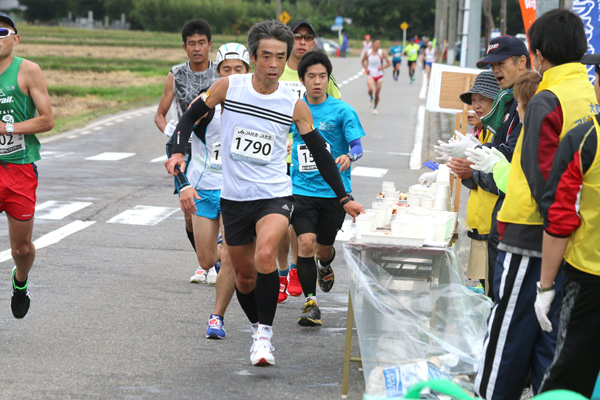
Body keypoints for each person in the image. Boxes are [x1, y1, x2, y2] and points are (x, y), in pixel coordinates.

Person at [165, 19, 364, 367]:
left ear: (287, 60)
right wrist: (177, 151)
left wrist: (344, 198)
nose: (273, 65)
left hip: (275, 193)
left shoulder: (293, 102)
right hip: (236, 197)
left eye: (280, 57)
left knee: (267, 253)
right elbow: (186, 120)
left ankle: (264, 337)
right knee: (244, 276)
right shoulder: (228, 87)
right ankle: (257, 324)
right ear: (254, 56)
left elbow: (320, 152)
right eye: (266, 56)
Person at [474, 10, 599, 400]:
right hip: (578, 244)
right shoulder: (588, 95)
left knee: (507, 332)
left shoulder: (547, 99)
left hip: (532, 237)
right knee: (551, 341)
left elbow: (545, 179)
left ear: (538, 55)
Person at [167, 43, 251, 340]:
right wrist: (178, 157)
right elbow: (182, 126)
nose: (231, 75)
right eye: (226, 70)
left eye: (237, 70)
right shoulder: (207, 104)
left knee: (228, 258)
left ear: (247, 72)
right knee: (206, 260)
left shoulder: (252, 107)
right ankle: (227, 252)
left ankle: (217, 317)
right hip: (203, 188)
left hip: (235, 191)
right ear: (218, 73)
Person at [535, 53, 600, 399]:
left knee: (568, 376)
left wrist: (545, 287)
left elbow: (560, 217)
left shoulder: (586, 137)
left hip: (590, 279)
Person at [291, 51, 365, 326]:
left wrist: (349, 156)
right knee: (305, 243)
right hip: (301, 189)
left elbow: (357, 146)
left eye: (322, 76)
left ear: (328, 79)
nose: (317, 82)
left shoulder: (343, 110)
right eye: (311, 76)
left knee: (323, 249)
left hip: (335, 193)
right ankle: (310, 303)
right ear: (302, 79)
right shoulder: (295, 108)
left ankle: (325, 264)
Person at [154, 19, 219, 284]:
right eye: (191, 43)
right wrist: (171, 130)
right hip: (185, 149)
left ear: (209, 45)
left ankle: (218, 264)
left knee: (221, 207)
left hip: (213, 147)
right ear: (184, 47)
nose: (196, 48)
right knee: (190, 214)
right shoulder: (176, 74)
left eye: (201, 43)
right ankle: (205, 263)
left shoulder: (220, 73)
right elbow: (159, 114)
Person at [0, 12, 54, 318]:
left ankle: (20, 281)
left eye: (2, 31)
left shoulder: (28, 71)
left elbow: (47, 120)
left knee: (21, 249)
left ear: (15, 39)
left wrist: (7, 129)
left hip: (19, 168)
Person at [445, 71, 500, 293]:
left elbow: (500, 180)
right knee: (486, 287)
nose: (476, 106)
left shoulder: (497, 134)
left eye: (482, 99)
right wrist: (463, 171)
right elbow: (476, 180)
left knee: (493, 289)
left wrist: (471, 170)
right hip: (480, 224)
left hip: (493, 226)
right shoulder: (485, 132)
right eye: (474, 100)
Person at [361, 38, 391, 115]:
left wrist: (382, 67)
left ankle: (375, 107)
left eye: (379, 44)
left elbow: (389, 63)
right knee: (370, 89)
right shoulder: (368, 53)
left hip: (379, 74)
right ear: (373, 44)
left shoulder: (382, 53)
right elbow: (362, 61)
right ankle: (371, 97)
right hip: (370, 74)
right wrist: (366, 68)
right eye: (377, 43)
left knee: (377, 93)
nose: (378, 45)